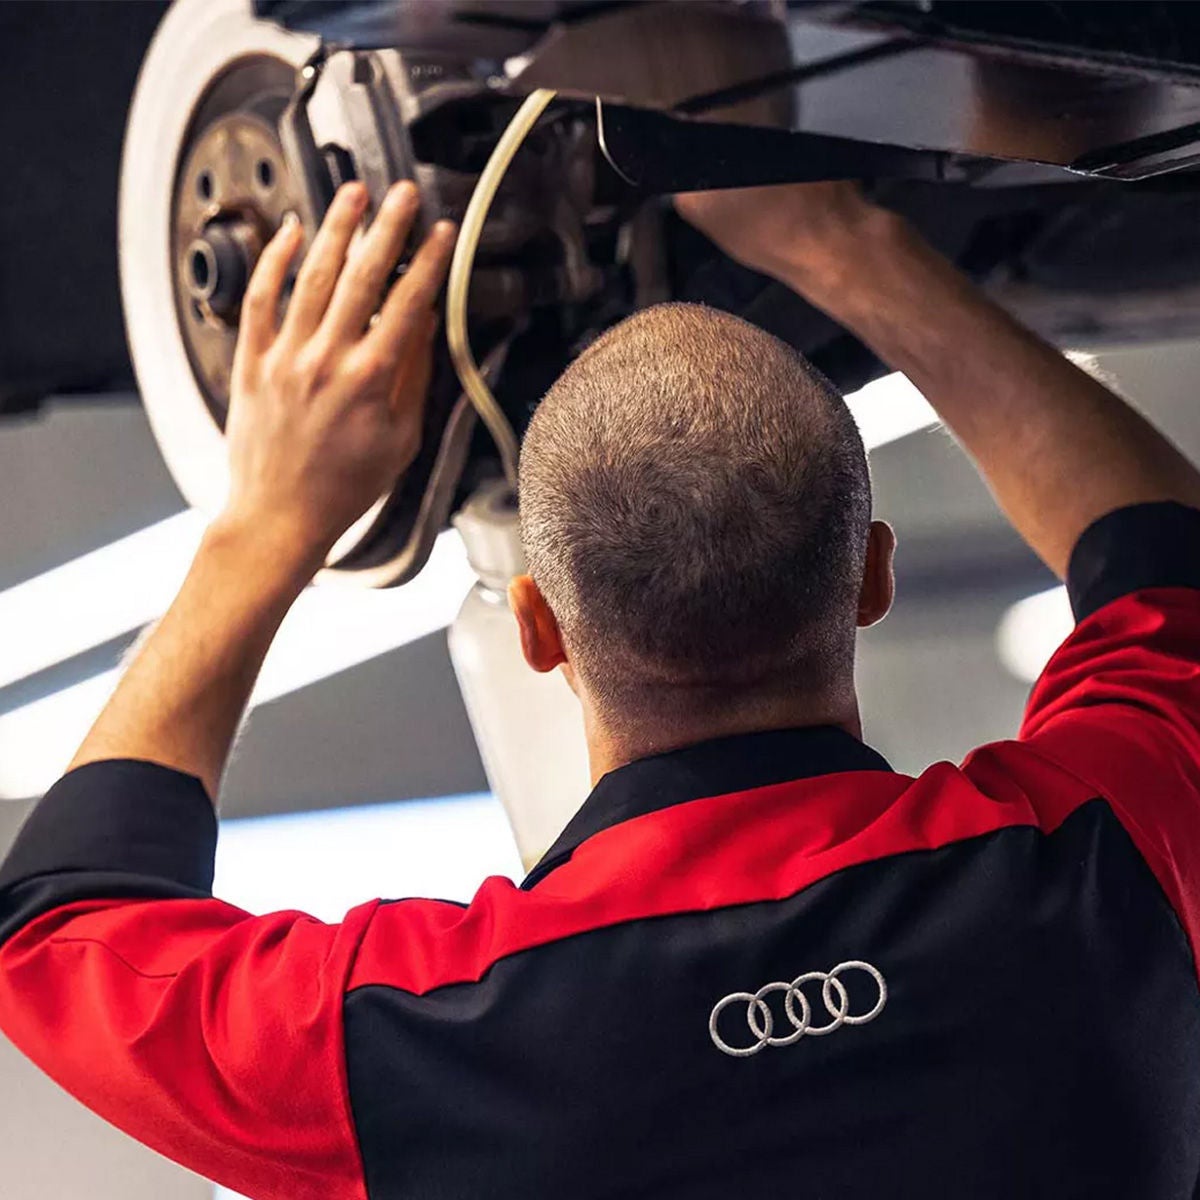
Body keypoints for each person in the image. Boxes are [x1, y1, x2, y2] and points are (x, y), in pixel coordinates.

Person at [2, 173, 1200, 1200]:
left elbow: (59, 931)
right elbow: (1161, 569)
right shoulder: (1102, 848)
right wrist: (849, 250)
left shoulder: (433, 1037)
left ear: (538, 628)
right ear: (871, 575)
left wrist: (268, 517)